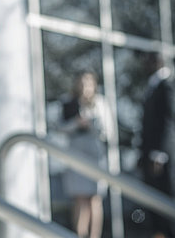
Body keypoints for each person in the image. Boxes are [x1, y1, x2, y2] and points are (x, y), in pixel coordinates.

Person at [60, 71, 113, 238]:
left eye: (88, 83)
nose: (84, 87)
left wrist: (91, 125)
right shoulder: (68, 103)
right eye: (81, 83)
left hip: (95, 155)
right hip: (76, 155)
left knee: (94, 199)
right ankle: (79, 234)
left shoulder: (100, 103)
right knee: (80, 199)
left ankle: (94, 236)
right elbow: (60, 128)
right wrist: (76, 123)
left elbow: (108, 131)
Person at [140, 52, 175, 238]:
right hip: (151, 153)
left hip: (160, 155)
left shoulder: (166, 85)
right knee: (154, 205)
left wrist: (159, 154)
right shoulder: (153, 85)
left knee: (166, 202)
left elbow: (167, 120)